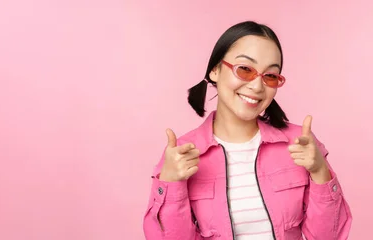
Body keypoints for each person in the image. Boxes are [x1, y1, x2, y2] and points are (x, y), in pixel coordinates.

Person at [143, 20, 352, 240]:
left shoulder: (300, 144)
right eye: (245, 69)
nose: (257, 86)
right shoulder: (182, 153)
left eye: (270, 76)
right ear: (215, 70)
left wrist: (320, 171)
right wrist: (171, 183)